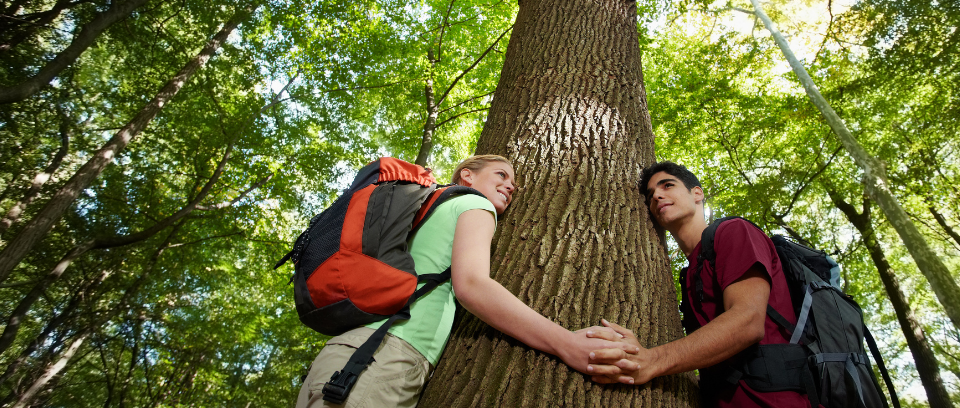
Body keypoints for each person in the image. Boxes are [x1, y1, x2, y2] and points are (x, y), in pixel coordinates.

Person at [296, 155, 636, 408]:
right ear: (467, 176)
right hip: (381, 355)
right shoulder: (472, 203)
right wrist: (566, 343)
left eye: (513, 184)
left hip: (363, 353)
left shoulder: (432, 208)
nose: (510, 186)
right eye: (501, 175)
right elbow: (472, 285)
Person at [584, 161, 808, 407]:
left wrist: (653, 360)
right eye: (650, 196)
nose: (657, 195)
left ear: (697, 193)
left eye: (667, 185)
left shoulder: (733, 231)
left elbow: (748, 321)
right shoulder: (689, 273)